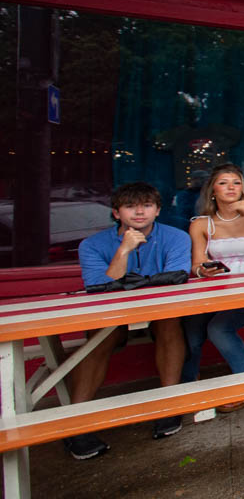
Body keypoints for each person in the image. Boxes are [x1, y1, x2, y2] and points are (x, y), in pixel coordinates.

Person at [64, 182, 192, 459]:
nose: (139, 212)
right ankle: (76, 423)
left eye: (146, 205)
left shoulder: (176, 237)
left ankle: (169, 405)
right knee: (100, 336)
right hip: (111, 314)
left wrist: (124, 283)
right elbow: (99, 288)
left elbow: (176, 279)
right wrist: (123, 250)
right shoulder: (92, 245)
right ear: (116, 212)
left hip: (160, 310)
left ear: (158, 210)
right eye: (131, 206)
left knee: (170, 321)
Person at [181, 165, 244, 411]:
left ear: (243, 188)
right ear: (212, 191)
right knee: (190, 330)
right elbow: (196, 263)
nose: (230, 187)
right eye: (223, 183)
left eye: (236, 183)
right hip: (217, 289)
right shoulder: (202, 224)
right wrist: (202, 270)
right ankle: (187, 389)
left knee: (219, 328)